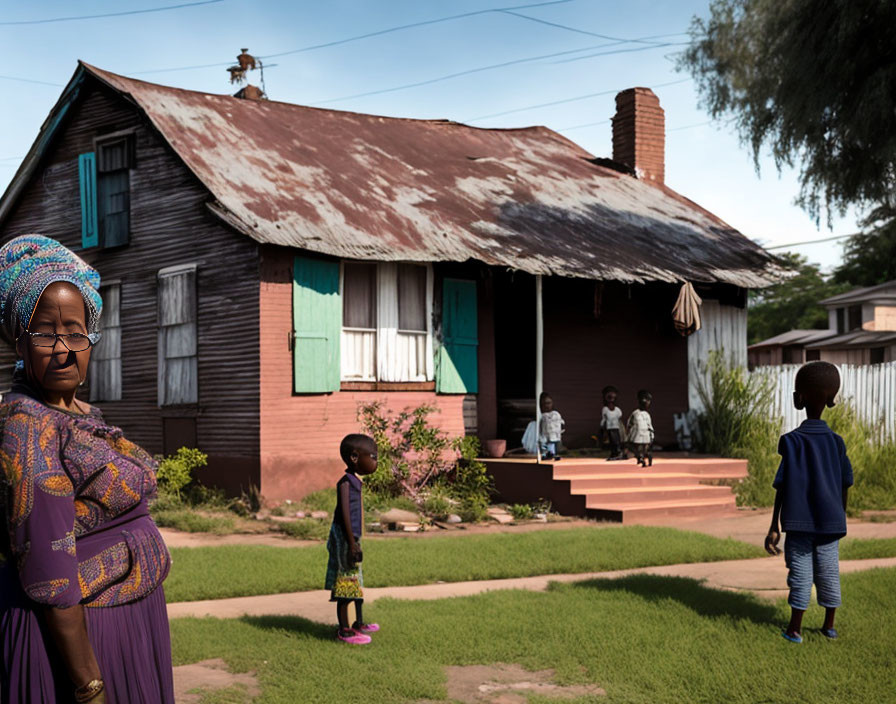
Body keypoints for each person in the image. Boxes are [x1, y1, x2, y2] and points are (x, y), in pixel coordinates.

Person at [0, 234, 174, 703]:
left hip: (125, 621)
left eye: (76, 332)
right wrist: (90, 685)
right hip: (82, 640)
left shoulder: (78, 413)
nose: (63, 348)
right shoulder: (27, 428)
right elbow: (51, 573)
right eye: (44, 332)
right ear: (18, 339)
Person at [765, 361, 853, 644]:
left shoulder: (791, 442)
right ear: (832, 400)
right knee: (829, 571)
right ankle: (829, 626)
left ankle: (795, 629)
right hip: (830, 523)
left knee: (800, 573)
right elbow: (845, 484)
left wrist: (774, 525)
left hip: (798, 524)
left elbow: (782, 486)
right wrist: (841, 515)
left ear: (798, 398)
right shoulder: (837, 443)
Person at [326, 433, 380, 644]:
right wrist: (351, 544)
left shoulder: (354, 482)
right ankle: (344, 629)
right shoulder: (345, 484)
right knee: (346, 583)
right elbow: (345, 516)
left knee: (355, 582)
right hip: (345, 538)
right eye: (373, 456)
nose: (375, 461)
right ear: (355, 457)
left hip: (353, 539)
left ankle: (358, 622)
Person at [626, 390, 654, 467]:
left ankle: (641, 458)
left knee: (634, 448)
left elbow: (629, 424)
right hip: (644, 436)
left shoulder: (636, 413)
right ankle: (645, 457)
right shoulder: (642, 414)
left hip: (638, 437)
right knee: (643, 449)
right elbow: (650, 426)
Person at [600, 385, 625, 460]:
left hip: (616, 427)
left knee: (616, 440)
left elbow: (619, 417)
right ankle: (614, 453)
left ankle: (618, 452)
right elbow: (604, 419)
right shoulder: (605, 409)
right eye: (609, 397)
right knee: (611, 441)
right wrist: (602, 427)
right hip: (609, 428)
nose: (611, 400)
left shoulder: (617, 409)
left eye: (613, 398)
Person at [538, 392, 565, 461]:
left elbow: (561, 424)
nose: (547, 406)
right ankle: (547, 454)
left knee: (555, 444)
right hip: (546, 436)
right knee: (547, 444)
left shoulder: (556, 414)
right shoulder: (542, 416)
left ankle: (554, 454)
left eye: (549, 403)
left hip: (555, 435)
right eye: (545, 404)